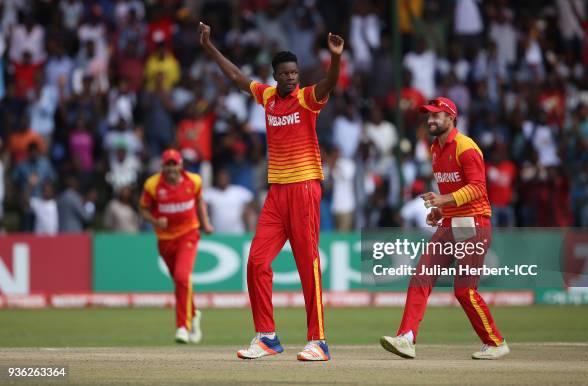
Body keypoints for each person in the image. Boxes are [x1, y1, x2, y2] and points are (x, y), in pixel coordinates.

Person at [198, 21, 344, 361]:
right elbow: (236, 77)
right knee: (256, 261)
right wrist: (208, 46)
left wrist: (335, 58)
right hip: (276, 194)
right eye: (286, 73)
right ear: (276, 75)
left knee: (308, 264)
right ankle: (267, 336)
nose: (292, 77)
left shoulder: (308, 99)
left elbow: (331, 82)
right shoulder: (267, 97)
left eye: (295, 72)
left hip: (305, 188)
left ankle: (318, 341)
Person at [380, 97, 510, 360]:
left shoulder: (466, 147)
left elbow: (477, 189)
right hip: (452, 222)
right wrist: (440, 211)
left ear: (451, 118)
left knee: (464, 290)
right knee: (421, 276)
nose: (430, 120)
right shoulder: (435, 148)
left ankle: (495, 342)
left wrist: (443, 201)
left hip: (474, 223)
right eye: (428, 116)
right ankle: (406, 338)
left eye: (437, 115)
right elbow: (453, 190)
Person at [139, 149, 214, 344]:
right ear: (163, 167)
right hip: (165, 240)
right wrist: (155, 221)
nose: (172, 169)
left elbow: (199, 201)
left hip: (188, 234)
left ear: (180, 166)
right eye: (168, 165)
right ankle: (194, 313)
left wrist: (205, 222)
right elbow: (143, 209)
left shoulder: (194, 181)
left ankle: (183, 327)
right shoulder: (153, 185)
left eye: (175, 165)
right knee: (180, 283)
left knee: (182, 277)